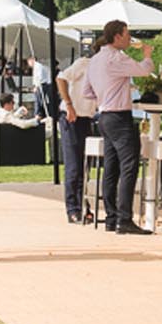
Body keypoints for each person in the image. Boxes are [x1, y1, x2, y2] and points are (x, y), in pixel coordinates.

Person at [83, 20, 155, 234]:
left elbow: (87, 92)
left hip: (104, 115)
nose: (129, 38)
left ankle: (111, 218)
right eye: (127, 34)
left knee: (111, 169)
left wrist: (106, 92)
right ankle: (124, 219)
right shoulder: (116, 57)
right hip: (119, 116)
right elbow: (143, 70)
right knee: (129, 166)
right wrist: (147, 54)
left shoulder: (95, 60)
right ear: (117, 36)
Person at [56, 40, 98, 223]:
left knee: (84, 166)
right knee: (74, 166)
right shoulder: (84, 64)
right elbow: (61, 78)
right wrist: (69, 104)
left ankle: (83, 206)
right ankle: (73, 208)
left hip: (86, 118)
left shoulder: (104, 71)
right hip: (71, 117)